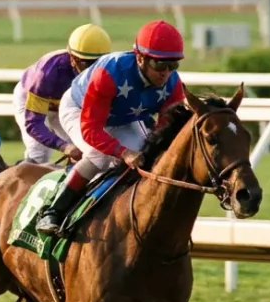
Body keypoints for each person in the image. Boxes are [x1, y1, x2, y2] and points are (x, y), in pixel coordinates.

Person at [35, 19, 187, 236]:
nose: (166, 73)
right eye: (159, 65)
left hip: (122, 117)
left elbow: (164, 131)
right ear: (140, 58)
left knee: (150, 159)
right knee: (99, 156)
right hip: (79, 109)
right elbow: (91, 129)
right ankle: (53, 211)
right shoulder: (111, 73)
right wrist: (123, 152)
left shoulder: (173, 84)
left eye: (173, 65)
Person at [13, 24, 112, 165]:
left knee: (84, 149)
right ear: (72, 58)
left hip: (64, 106)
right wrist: (63, 146)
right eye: (86, 64)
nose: (91, 70)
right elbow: (34, 123)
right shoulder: (47, 74)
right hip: (29, 99)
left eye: (98, 63)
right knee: (39, 153)